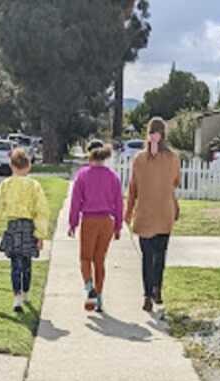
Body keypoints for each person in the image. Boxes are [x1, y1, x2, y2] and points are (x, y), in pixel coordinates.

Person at [125, 116, 181, 314]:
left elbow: (133, 189)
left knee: (147, 257)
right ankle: (157, 288)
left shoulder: (139, 159)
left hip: (145, 213)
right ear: (164, 134)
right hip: (165, 212)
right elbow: (175, 182)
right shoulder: (173, 158)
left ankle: (147, 295)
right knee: (160, 255)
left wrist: (128, 212)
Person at [0, 147, 50, 312]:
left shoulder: (6, 184)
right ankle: (26, 292)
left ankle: (17, 297)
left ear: (11, 166)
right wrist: (40, 235)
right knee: (27, 263)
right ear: (28, 166)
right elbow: (41, 211)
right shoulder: (34, 186)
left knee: (15, 264)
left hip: (13, 227)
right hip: (29, 227)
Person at [67, 139, 123, 313]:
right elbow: (119, 203)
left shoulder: (83, 175)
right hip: (107, 221)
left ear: (89, 154)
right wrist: (118, 226)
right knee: (100, 261)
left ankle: (89, 287)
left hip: (89, 220)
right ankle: (99, 297)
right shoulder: (113, 177)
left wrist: (73, 223)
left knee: (85, 258)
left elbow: (76, 202)